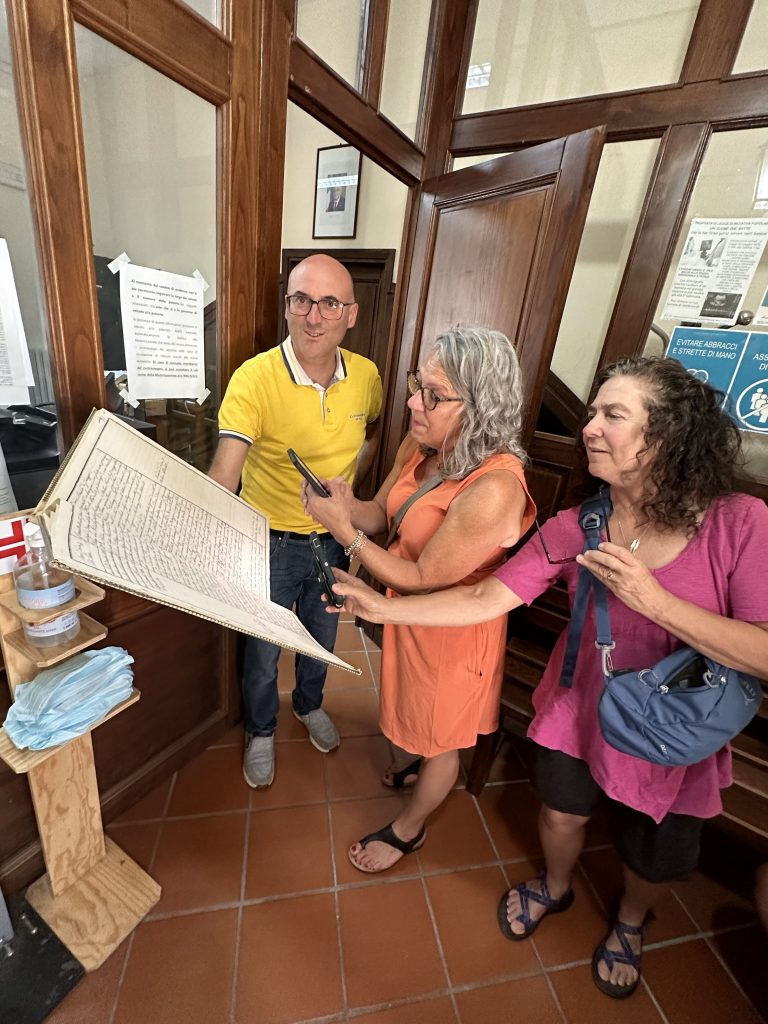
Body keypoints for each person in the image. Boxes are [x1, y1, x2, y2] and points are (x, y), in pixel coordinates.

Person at [331, 356, 768, 998]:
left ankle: (630, 921)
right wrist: (381, 607)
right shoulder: (578, 525)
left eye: (613, 415)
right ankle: (555, 886)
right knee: (561, 817)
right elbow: (486, 597)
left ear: (668, 434)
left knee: (653, 852)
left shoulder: (738, 523)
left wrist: (656, 603)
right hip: (579, 707)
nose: (590, 427)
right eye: (591, 413)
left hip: (680, 728)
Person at [303, 326, 536, 873]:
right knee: (419, 713)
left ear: (479, 408)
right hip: (408, 616)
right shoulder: (421, 446)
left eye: (434, 395)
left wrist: (343, 533)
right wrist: (347, 505)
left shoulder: (496, 486)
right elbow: (381, 514)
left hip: (452, 628)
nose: (413, 402)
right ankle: (421, 760)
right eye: (418, 385)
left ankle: (409, 829)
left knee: (443, 735)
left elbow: (422, 577)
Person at [209, 254, 382, 788]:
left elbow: (373, 432)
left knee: (322, 635)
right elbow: (224, 475)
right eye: (301, 300)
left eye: (329, 303)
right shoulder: (255, 378)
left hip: (333, 541)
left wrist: (348, 498)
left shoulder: (366, 376)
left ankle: (309, 704)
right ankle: (261, 729)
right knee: (263, 652)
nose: (313, 316)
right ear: (287, 306)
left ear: (350, 314)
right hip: (270, 544)